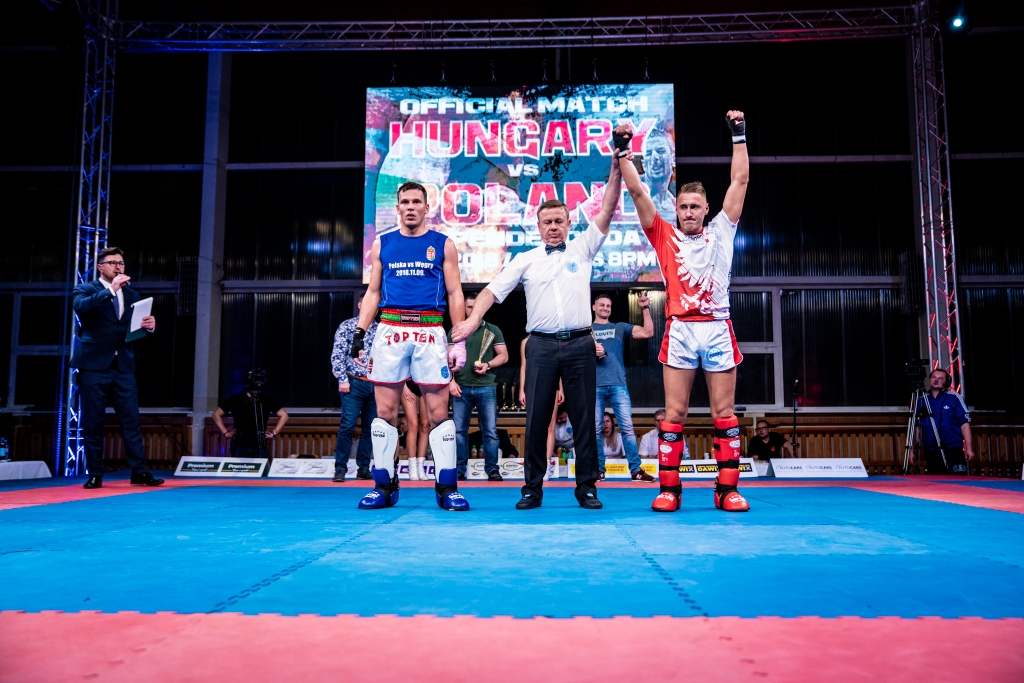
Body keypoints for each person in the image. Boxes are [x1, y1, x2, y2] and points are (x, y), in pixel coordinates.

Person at [453, 156, 619, 511]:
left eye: (559, 221)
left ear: (569, 223)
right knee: (536, 420)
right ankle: (531, 489)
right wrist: (472, 320)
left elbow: (606, 209)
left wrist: (616, 170)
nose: (553, 227)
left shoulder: (583, 248)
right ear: (538, 226)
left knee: (584, 420)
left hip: (580, 344)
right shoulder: (525, 259)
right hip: (540, 347)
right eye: (548, 222)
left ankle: (587, 488)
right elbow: (490, 292)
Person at [617, 110, 751, 513]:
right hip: (680, 329)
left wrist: (739, 136)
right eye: (683, 207)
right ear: (676, 209)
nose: (689, 212)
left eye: (695, 206)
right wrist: (622, 150)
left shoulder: (722, 230)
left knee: (724, 414)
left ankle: (726, 490)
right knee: (674, 414)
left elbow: (740, 181)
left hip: (717, 326)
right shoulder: (664, 235)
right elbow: (638, 193)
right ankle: (670, 490)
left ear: (707, 209)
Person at [351, 181, 470, 511]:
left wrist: (458, 340)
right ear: (398, 207)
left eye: (417, 201)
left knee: (439, 414)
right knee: (384, 414)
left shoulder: (443, 244)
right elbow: (373, 292)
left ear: (427, 207)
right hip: (390, 329)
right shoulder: (383, 243)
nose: (411, 207)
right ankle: (384, 487)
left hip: (430, 330)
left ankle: (447, 489)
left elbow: (455, 293)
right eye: (405, 202)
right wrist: (360, 331)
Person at [71, 246, 162, 489]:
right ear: (100, 267)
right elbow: (81, 307)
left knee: (131, 419)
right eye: (113, 262)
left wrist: (149, 326)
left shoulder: (132, 294)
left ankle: (139, 471)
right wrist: (111, 290)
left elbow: (133, 329)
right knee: (93, 421)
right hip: (94, 365)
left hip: (123, 365)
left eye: (121, 263)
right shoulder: (86, 289)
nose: (118, 267)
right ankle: (95, 473)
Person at [592, 292, 655, 481]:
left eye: (608, 306)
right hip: (594, 385)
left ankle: (636, 471)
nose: (605, 308)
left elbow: (648, 332)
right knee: (595, 429)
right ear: (594, 307)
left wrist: (645, 308)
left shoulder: (619, 327)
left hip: (618, 384)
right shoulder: (586, 330)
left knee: (627, 427)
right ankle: (598, 470)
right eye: (602, 305)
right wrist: (590, 350)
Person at [449, 293, 508, 482]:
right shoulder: (456, 331)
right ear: (464, 309)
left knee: (490, 431)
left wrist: (487, 365)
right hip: (461, 387)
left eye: (476, 307)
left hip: (485, 386)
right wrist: (451, 382)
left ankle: (492, 470)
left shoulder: (493, 330)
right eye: (469, 307)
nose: (473, 310)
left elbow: (504, 356)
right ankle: (460, 469)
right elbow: (446, 359)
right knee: (459, 432)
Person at [330, 293, 378, 482]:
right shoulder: (347, 326)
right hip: (353, 382)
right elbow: (338, 354)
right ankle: (340, 468)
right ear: (360, 305)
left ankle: (363, 468)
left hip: (375, 384)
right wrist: (342, 379)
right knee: (347, 426)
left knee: (370, 429)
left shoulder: (381, 329)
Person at [212, 368, 289, 459]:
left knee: (262, 467)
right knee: (238, 467)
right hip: (239, 444)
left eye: (260, 379)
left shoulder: (266, 400)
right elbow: (216, 414)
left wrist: (274, 433)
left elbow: (284, 416)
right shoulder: (236, 399)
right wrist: (225, 433)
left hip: (259, 444)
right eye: (256, 379)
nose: (259, 382)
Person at [913, 368, 974, 475]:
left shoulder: (955, 398)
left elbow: (965, 424)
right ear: (929, 379)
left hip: (952, 447)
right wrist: (912, 450)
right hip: (930, 449)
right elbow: (917, 426)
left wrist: (969, 448)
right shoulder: (922, 400)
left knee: (958, 479)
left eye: (940, 378)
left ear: (946, 381)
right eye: (934, 377)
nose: (936, 380)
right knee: (936, 481)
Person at [401, 380, 431, 480]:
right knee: (413, 425)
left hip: (425, 383)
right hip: (408, 382)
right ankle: (412, 467)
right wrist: (403, 386)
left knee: (425, 425)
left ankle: (420, 466)